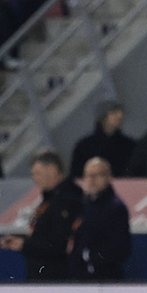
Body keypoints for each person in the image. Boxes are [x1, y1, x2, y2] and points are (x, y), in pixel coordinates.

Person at [0, 150, 82, 281]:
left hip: (55, 277)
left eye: (37, 173)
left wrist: (25, 244)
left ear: (52, 170)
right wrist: (22, 241)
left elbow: (59, 243)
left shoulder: (67, 200)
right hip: (43, 275)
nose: (35, 178)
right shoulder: (50, 199)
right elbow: (44, 235)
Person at [68, 157, 132, 280]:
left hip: (105, 278)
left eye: (96, 175)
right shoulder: (83, 205)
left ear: (108, 177)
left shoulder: (115, 208)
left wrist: (90, 257)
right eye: (88, 175)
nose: (91, 180)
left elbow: (121, 247)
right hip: (80, 277)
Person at [70, 100, 135, 179]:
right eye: (114, 112)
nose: (120, 116)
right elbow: (77, 176)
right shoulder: (84, 147)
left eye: (121, 112)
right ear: (103, 117)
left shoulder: (129, 145)